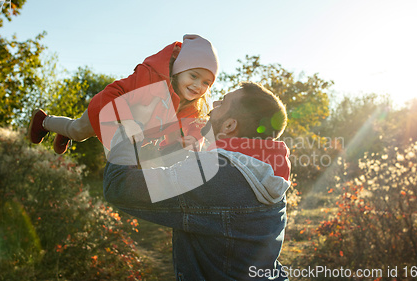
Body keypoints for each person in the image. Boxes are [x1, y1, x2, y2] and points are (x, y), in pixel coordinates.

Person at [104, 82, 293, 280]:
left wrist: (131, 125)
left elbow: (118, 185)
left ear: (230, 125)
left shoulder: (212, 173)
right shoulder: (267, 172)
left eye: (223, 102)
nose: (214, 103)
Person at [27, 34, 219, 154]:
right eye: (193, 75)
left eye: (206, 83)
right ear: (178, 70)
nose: (197, 86)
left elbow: (192, 127)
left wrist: (193, 141)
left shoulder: (191, 107)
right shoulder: (151, 79)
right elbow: (112, 92)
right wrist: (127, 121)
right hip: (105, 112)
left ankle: (64, 130)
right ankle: (44, 121)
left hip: (129, 137)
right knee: (78, 131)